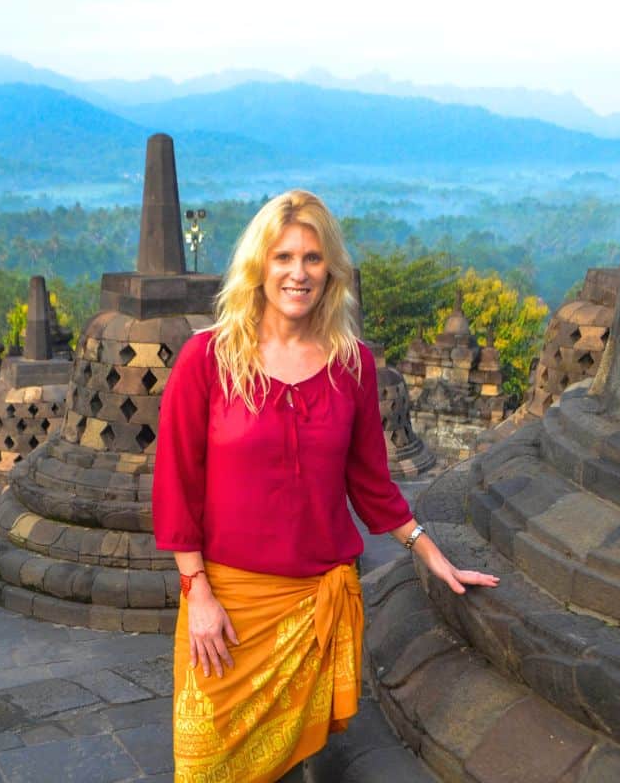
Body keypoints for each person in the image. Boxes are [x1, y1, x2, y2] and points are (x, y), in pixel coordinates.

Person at [152, 190, 499, 782]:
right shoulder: (208, 358)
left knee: (290, 768)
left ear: (330, 270)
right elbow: (176, 484)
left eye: (313, 258)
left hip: (312, 603)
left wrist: (432, 555)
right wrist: (197, 593)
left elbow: (371, 485)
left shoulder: (352, 364)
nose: (298, 272)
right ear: (259, 265)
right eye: (284, 256)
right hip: (229, 608)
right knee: (207, 764)